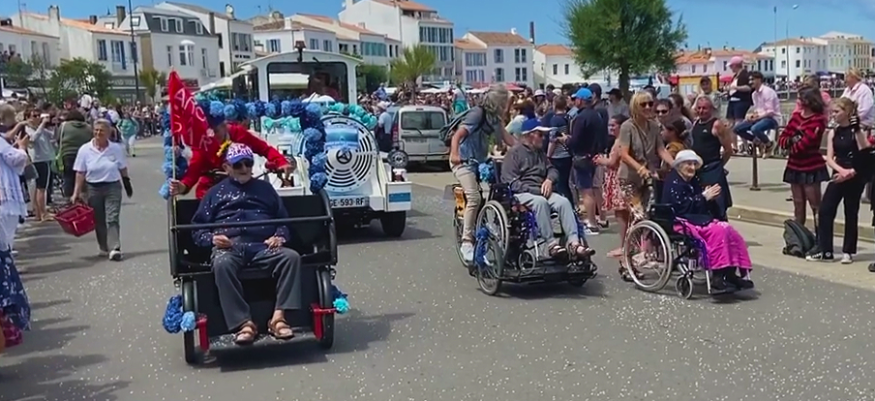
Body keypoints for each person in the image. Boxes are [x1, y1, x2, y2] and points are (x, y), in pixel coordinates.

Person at [190, 143, 302, 345]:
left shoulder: (266, 189)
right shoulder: (214, 193)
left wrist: (279, 236)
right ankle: (244, 323)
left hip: (263, 246)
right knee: (222, 263)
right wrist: (213, 239)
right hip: (229, 248)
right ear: (227, 167)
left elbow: (284, 221)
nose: (244, 168)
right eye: (238, 165)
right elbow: (197, 230)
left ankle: (278, 318)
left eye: (248, 163)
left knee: (291, 257)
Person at [662, 150, 754, 293]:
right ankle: (718, 277)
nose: (692, 167)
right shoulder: (674, 182)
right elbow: (681, 207)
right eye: (688, 164)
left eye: (694, 164)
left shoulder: (692, 180)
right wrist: (703, 197)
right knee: (718, 233)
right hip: (680, 221)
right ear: (679, 165)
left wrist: (709, 198)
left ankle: (730, 274)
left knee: (729, 230)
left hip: (697, 219)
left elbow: (699, 203)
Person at [501, 119, 594, 259]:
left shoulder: (540, 153)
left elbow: (552, 169)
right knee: (540, 202)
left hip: (543, 190)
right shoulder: (514, 153)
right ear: (530, 135)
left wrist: (549, 180)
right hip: (523, 193)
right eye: (540, 135)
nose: (543, 138)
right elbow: (511, 182)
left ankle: (574, 243)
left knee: (563, 202)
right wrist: (535, 190)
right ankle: (551, 244)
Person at [449, 84, 517, 263]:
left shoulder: (495, 118)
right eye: (505, 102)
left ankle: (492, 222)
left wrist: (525, 149)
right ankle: (467, 241)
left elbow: (507, 138)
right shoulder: (477, 114)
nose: (506, 106)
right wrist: (455, 154)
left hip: (480, 161)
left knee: (503, 189)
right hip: (463, 161)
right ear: (497, 102)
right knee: (474, 197)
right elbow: (457, 136)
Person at [168, 108, 293, 199]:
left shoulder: (239, 133)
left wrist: (281, 162)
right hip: (211, 192)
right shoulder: (203, 143)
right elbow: (193, 172)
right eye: (208, 132)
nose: (212, 136)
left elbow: (264, 149)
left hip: (242, 185)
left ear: (224, 126)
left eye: (215, 131)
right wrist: (182, 186)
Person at [808, 98, 870, 263]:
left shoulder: (857, 131)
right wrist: (841, 171)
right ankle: (826, 250)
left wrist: (851, 172)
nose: (833, 115)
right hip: (839, 172)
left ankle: (848, 251)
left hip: (855, 173)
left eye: (836, 111)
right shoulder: (833, 132)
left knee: (851, 211)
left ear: (847, 112)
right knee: (826, 210)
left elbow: (865, 151)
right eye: (832, 112)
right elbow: (829, 157)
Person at [70, 118, 134, 261]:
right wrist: (76, 192)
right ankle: (104, 247)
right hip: (93, 188)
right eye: (96, 130)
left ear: (109, 133)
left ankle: (115, 247)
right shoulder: (85, 149)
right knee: (99, 219)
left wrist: (127, 183)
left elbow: (122, 167)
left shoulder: (116, 148)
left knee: (112, 218)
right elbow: (80, 172)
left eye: (102, 131)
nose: (98, 133)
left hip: (112, 186)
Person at [617, 91, 674, 218]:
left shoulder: (654, 126)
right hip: (629, 178)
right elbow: (624, 154)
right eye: (643, 104)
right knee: (639, 215)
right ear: (635, 106)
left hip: (648, 177)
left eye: (650, 104)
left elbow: (661, 150)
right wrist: (640, 168)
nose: (648, 107)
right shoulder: (627, 127)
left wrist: (675, 164)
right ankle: (634, 231)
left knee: (650, 213)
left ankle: (642, 232)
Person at [778, 87, 829, 228]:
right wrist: (791, 141)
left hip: (811, 165)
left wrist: (791, 144)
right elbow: (782, 139)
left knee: (815, 204)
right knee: (798, 204)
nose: (799, 101)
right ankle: (799, 235)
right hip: (794, 165)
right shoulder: (796, 117)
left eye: (801, 98)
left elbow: (805, 144)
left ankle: (821, 236)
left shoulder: (818, 120)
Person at [566, 87, 607, 235]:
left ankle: (592, 223)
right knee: (595, 188)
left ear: (581, 100)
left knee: (586, 192)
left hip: (582, 156)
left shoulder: (581, 117)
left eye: (576, 99)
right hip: (594, 156)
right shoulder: (597, 115)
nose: (574, 101)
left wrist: (566, 140)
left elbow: (575, 140)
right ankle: (599, 218)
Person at [689, 96, 733, 220]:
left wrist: (719, 166)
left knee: (718, 205)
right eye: (699, 108)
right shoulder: (695, 123)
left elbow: (728, 150)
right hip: (698, 170)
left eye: (705, 108)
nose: (701, 111)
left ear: (711, 109)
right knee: (703, 204)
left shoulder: (716, 124)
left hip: (712, 168)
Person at [595, 115, 630, 260]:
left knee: (621, 213)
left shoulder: (620, 141)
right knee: (622, 213)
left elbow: (613, 162)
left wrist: (600, 160)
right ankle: (626, 244)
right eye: (609, 125)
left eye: (613, 125)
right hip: (617, 177)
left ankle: (623, 246)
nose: (610, 128)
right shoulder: (620, 140)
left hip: (618, 178)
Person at [732, 71, 780, 156]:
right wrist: (752, 116)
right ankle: (759, 142)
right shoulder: (754, 94)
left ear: (759, 80)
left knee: (754, 128)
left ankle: (769, 144)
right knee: (737, 129)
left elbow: (770, 112)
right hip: (760, 118)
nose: (750, 82)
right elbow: (758, 109)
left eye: (752, 79)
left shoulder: (767, 92)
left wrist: (757, 118)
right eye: (749, 80)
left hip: (772, 119)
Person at [57, 109, 93, 197]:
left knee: (68, 177)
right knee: (82, 176)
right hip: (84, 155)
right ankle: (81, 196)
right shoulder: (88, 127)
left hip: (67, 154)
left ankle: (69, 197)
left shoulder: (64, 126)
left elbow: (58, 138)